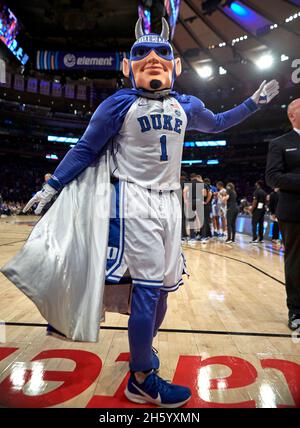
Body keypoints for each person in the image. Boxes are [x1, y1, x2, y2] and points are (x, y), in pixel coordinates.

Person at [15, 18, 279, 407]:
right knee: (147, 291)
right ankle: (141, 379)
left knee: (162, 293)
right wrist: (53, 184)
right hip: (132, 202)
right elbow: (86, 148)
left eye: (163, 53)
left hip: (170, 203)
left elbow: (221, 122)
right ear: (127, 66)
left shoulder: (188, 105)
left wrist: (253, 103)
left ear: (176, 66)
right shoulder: (118, 104)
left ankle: (144, 352)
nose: (153, 58)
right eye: (142, 53)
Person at [266, 99, 300, 331]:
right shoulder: (280, 143)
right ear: (292, 115)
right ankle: (296, 311)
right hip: (294, 212)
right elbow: (273, 177)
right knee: (296, 263)